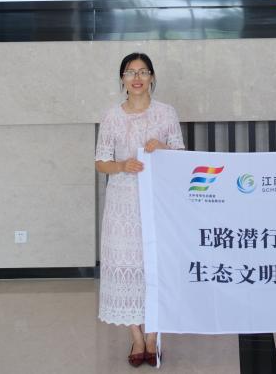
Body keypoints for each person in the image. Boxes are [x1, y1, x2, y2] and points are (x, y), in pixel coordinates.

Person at [95, 52, 184, 367]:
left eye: (143, 72)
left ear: (152, 77)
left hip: (157, 201)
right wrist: (122, 165)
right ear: (122, 78)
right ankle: (136, 337)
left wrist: (163, 148)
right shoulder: (111, 116)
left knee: (155, 267)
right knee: (126, 265)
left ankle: (153, 336)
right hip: (122, 204)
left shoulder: (166, 113)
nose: (137, 78)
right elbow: (101, 162)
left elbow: (181, 157)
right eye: (130, 72)